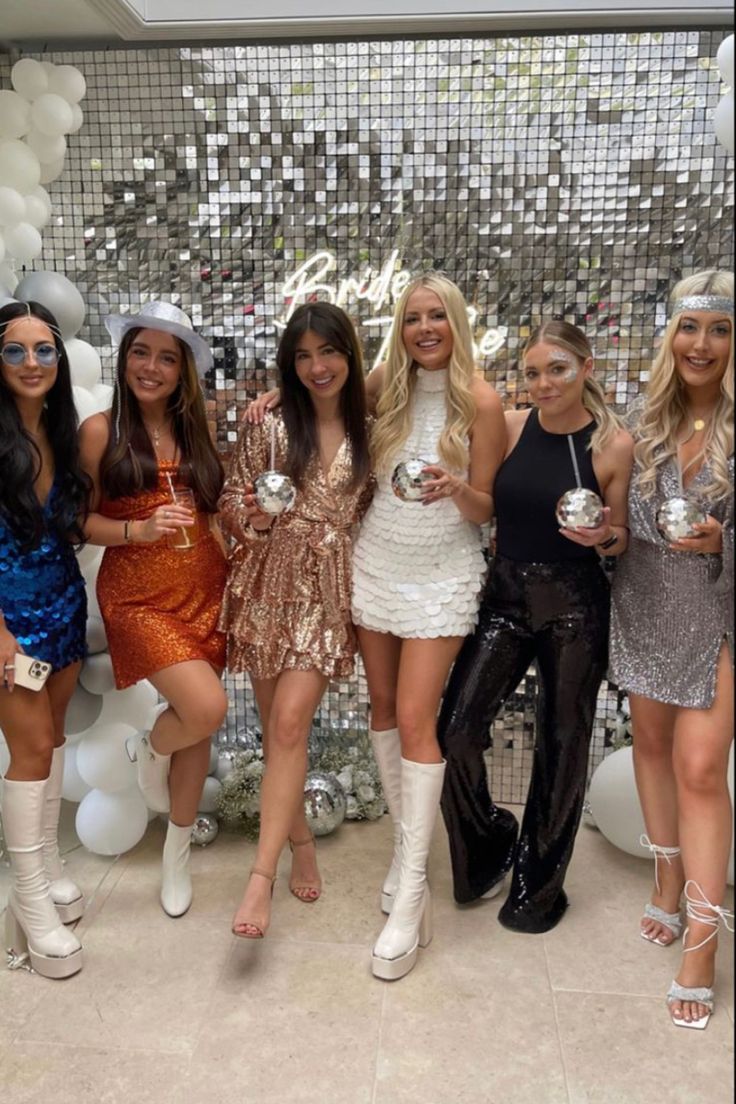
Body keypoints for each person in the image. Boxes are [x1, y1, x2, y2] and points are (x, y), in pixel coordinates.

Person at [438, 320, 633, 934]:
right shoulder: (515, 426)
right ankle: (494, 837)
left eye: (557, 369)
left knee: (563, 738)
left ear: (587, 368)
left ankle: (540, 883)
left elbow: (622, 537)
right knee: (455, 729)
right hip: (505, 595)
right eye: (533, 372)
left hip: (576, 603)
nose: (544, 383)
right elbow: (486, 500)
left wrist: (605, 536)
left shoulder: (611, 444)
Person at [219, 301, 373, 939]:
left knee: (288, 722)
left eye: (329, 351)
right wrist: (250, 517)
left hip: (327, 592)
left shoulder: (374, 426)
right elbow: (231, 498)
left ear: (349, 355)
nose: (317, 367)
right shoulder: (272, 423)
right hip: (265, 585)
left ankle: (260, 881)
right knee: (278, 735)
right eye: (303, 355)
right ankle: (302, 842)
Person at [609, 270, 734, 1029]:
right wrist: (604, 535)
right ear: (671, 338)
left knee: (700, 767)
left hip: (718, 611)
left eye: (720, 329)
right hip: (645, 603)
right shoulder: (643, 422)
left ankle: (705, 935)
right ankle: (666, 878)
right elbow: (623, 522)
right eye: (691, 328)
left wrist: (728, 538)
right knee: (651, 747)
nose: (702, 344)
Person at [79, 301, 227, 919]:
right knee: (205, 707)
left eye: (168, 357)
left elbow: (213, 509)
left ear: (183, 369)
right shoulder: (100, 431)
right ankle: (148, 748)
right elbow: (78, 522)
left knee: (199, 725)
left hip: (205, 586)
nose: (151, 367)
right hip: (137, 594)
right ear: (124, 357)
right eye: (141, 352)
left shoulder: (199, 427)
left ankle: (176, 856)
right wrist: (136, 531)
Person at [0, 300, 89, 978]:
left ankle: (52, 864)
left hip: (62, 606)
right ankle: (29, 908)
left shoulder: (62, 433)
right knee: (28, 750)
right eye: (15, 350)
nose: (32, 363)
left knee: (52, 738)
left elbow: (73, 531)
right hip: (7, 621)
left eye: (44, 350)